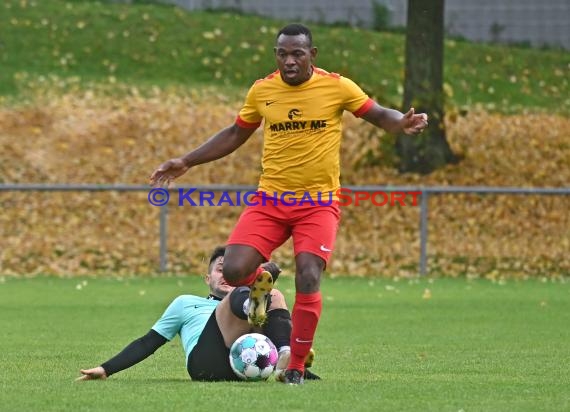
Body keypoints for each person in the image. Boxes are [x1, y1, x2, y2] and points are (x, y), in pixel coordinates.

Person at [149, 23, 428, 384]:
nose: (289, 60)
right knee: (234, 271)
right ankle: (259, 287)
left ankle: (294, 365)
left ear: (312, 55)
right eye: (282, 53)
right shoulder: (263, 91)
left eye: (297, 53)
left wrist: (400, 122)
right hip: (270, 201)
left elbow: (377, 114)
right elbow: (236, 133)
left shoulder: (336, 86)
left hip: (318, 203)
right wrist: (187, 161)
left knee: (309, 275)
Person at [76, 246, 319, 382]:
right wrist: (106, 368)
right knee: (243, 296)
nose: (225, 277)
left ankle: (289, 361)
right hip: (206, 363)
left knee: (274, 296)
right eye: (220, 270)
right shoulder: (185, 303)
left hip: (246, 363)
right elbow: (148, 342)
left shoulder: (247, 292)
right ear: (207, 278)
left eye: (231, 272)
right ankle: (251, 308)